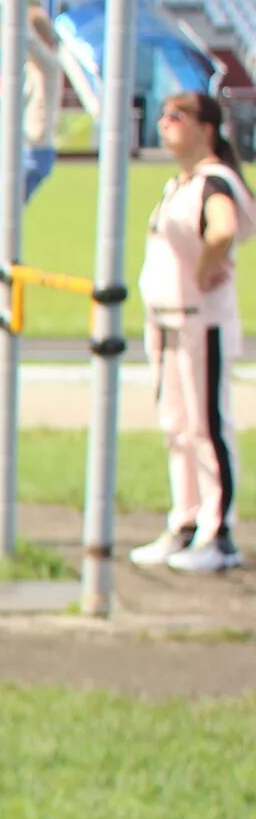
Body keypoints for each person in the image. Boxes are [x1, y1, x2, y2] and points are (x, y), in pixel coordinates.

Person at [130, 90, 244, 574]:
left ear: (207, 127)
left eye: (178, 116)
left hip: (201, 319)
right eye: (164, 115)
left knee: (206, 427)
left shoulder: (214, 182)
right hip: (168, 318)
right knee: (176, 427)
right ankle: (186, 521)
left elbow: (224, 228)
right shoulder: (182, 182)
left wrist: (205, 267)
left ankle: (219, 535)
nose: (166, 122)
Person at [0, 0, 64, 274]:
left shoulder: (48, 65)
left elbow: (23, 39)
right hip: (22, 148)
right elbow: (9, 40)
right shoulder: (29, 69)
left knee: (4, 206)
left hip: (34, 150)